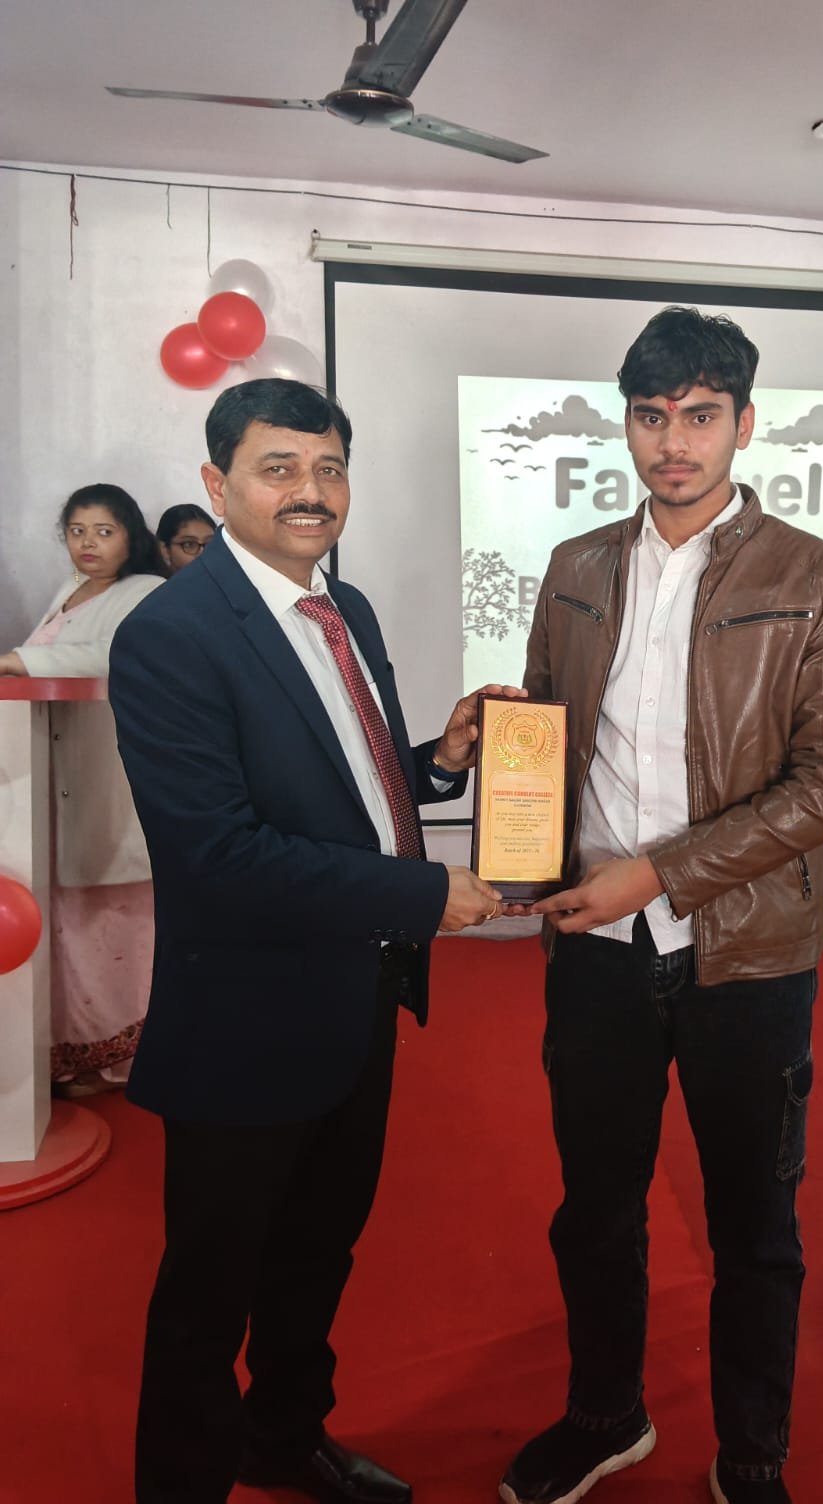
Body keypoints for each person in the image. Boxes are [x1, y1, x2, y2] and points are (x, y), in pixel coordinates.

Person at [107, 378, 516, 1504]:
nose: (310, 490)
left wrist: (441, 761)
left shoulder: (349, 608)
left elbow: (350, 788)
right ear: (217, 484)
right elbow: (219, 855)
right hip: (243, 1023)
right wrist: (421, 895)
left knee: (314, 1257)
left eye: (329, 467)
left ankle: (284, 1440)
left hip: (355, 1003)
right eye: (278, 467)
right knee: (208, 1296)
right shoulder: (170, 637)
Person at [499, 308, 823, 1504]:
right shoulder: (577, 566)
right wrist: (491, 755)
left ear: (744, 425)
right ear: (628, 423)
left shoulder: (815, 576)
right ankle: (605, 1415)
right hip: (596, 947)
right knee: (595, 1209)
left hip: (751, 953)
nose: (675, 441)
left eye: (702, 415)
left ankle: (753, 1453)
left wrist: (662, 872)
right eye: (653, 415)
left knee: (756, 1226)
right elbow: (550, 726)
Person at [0, 483, 163, 1090]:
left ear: (130, 536)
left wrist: (18, 661)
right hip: (52, 771)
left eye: (103, 531)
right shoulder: (69, 589)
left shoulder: (147, 591)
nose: (88, 543)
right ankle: (69, 1054)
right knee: (67, 926)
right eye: (76, 531)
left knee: (113, 924)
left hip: (104, 775)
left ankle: (121, 1054)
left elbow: (116, 653)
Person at [155, 502, 216, 575]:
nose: (202, 554)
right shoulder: (152, 582)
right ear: (164, 549)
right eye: (189, 544)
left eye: (209, 544)